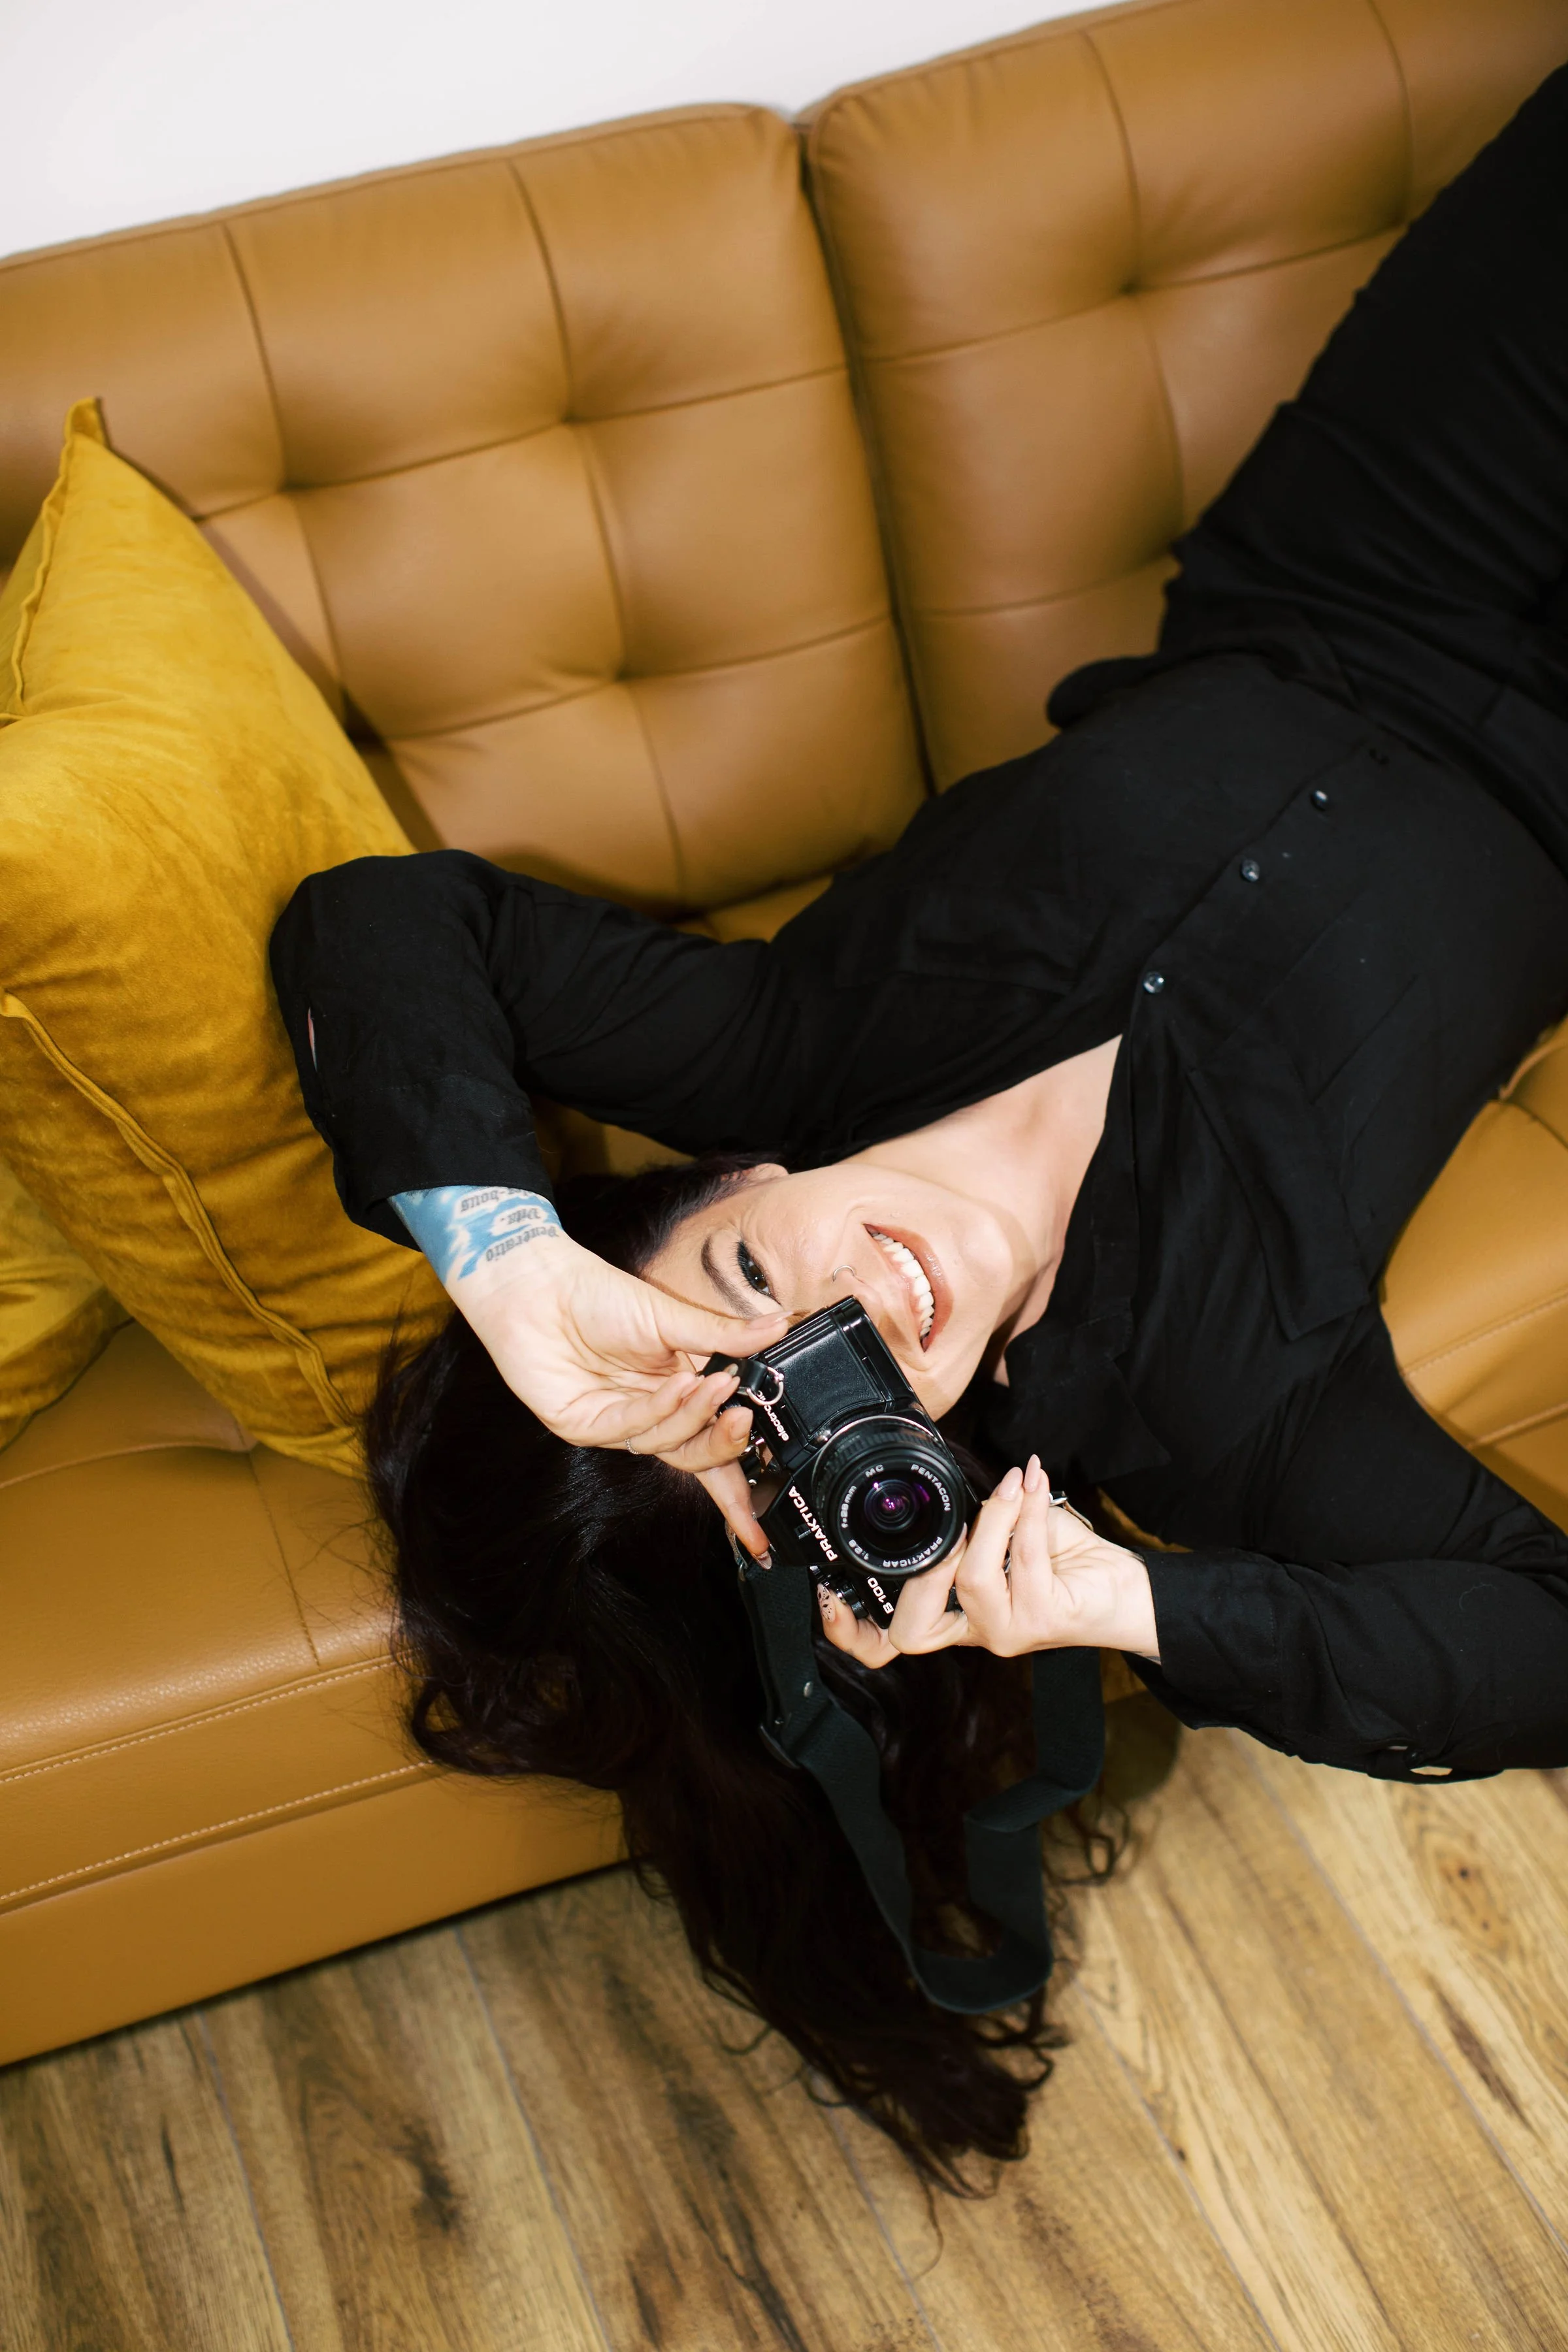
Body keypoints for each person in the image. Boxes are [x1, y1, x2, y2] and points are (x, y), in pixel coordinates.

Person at [272, 67, 1568, 2187]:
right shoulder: (1213, 1411)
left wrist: (502, 1264)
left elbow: (378, 921)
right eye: (819, 1406)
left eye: (745, 1294)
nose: (863, 1298)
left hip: (1371, 551)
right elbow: (1544, 1651)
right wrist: (1147, 1619)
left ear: (724, 1188)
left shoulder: (785, 1044)